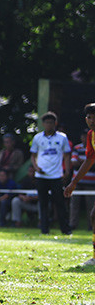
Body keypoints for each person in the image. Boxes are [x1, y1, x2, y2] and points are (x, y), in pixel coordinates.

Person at [30, 111, 72, 235]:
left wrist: (67, 171)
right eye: (47, 122)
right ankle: (44, 230)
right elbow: (33, 155)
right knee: (43, 204)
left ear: (55, 123)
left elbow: (67, 155)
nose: (49, 125)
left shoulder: (62, 137)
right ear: (43, 124)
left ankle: (66, 230)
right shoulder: (37, 137)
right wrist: (36, 168)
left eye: (51, 122)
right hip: (41, 176)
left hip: (56, 175)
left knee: (60, 203)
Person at [64, 103, 95, 266]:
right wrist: (73, 183)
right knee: (94, 216)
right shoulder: (91, 135)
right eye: (89, 117)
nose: (92, 120)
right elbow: (90, 160)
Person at [68, 125, 95, 232]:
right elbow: (75, 162)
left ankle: (90, 227)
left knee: (91, 208)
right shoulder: (78, 147)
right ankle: (72, 225)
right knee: (76, 205)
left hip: (91, 182)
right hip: (79, 182)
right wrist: (74, 182)